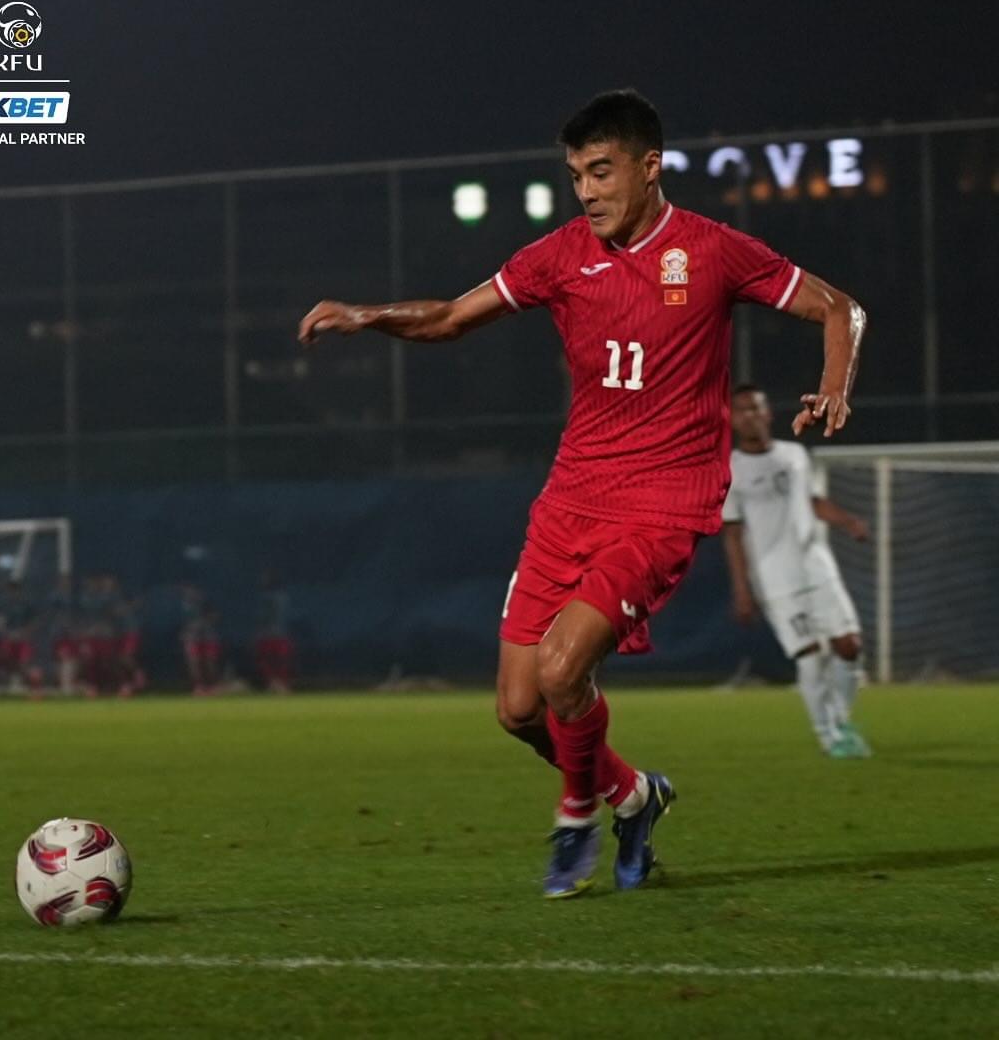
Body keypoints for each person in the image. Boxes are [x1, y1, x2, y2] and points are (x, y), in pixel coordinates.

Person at [298, 89, 866, 898]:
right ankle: (632, 797)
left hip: (662, 504)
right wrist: (366, 315)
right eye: (575, 176)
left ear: (649, 166)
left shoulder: (712, 250)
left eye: (601, 172)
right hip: (571, 499)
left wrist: (834, 385)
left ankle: (575, 816)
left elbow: (840, 308)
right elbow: (450, 317)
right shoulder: (561, 256)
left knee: (564, 671)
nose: (587, 192)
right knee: (518, 709)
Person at [722, 384, 871, 757]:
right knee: (811, 656)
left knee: (850, 647)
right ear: (732, 419)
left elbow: (813, 501)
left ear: (768, 413)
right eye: (742, 410)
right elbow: (733, 534)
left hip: (817, 566)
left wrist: (848, 521)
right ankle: (829, 737)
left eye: (756, 408)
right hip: (775, 578)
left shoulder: (794, 455)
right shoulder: (730, 470)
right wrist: (742, 590)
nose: (750, 416)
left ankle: (840, 719)